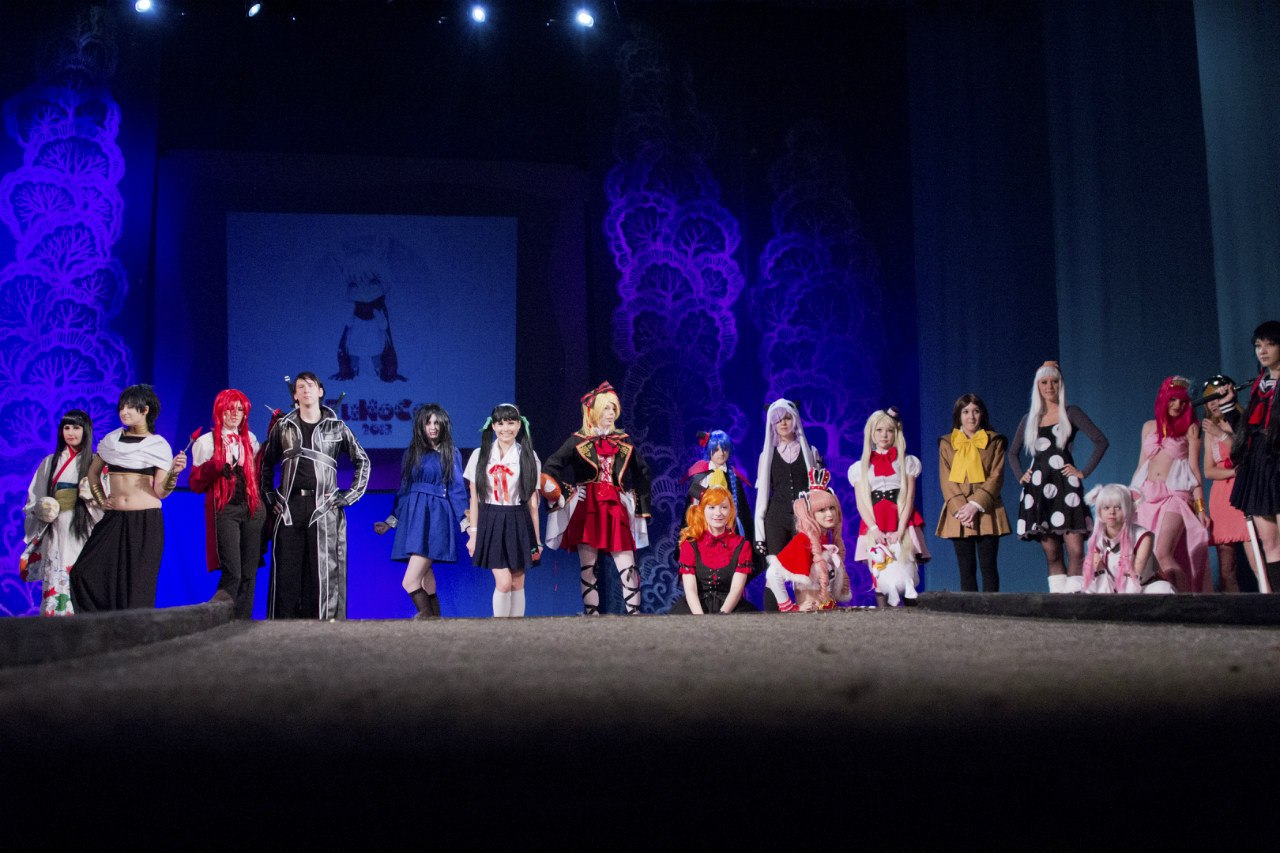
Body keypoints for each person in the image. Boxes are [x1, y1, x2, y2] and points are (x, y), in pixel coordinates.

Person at [259, 372, 370, 620]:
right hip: (289, 509)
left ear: (320, 392)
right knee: (286, 576)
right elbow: (264, 464)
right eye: (300, 386)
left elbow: (362, 461)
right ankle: (281, 634)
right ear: (295, 395)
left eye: (311, 385)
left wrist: (348, 496)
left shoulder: (337, 427)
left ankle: (323, 633)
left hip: (323, 510)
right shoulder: (283, 427)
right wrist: (270, 497)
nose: (306, 389)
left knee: (321, 578)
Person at [71, 385, 185, 611]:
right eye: (122, 407)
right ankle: (101, 628)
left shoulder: (158, 445)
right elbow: (93, 473)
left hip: (145, 522)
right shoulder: (111, 441)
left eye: (131, 407)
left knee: (137, 588)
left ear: (145, 410)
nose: (124, 412)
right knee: (83, 573)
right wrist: (101, 499)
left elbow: (160, 491)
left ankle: (132, 632)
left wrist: (174, 473)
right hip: (114, 519)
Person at [545, 381, 652, 615]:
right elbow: (550, 468)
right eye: (606, 408)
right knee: (588, 566)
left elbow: (643, 472)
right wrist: (568, 493)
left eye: (613, 408)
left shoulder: (623, 441)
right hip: (588, 508)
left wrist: (636, 501)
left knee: (628, 565)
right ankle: (591, 616)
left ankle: (635, 615)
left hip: (615, 507)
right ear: (593, 412)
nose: (611, 413)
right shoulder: (577, 441)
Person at [1010, 361, 1109, 593]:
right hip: (1039, 490)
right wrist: (1021, 476)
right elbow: (1012, 453)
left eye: (1054, 382)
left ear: (1060, 384)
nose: (1049, 386)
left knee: (1075, 550)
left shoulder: (1070, 412)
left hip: (1066, 488)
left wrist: (1083, 472)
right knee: (1052, 553)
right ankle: (1058, 602)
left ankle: (1074, 599)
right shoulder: (1030, 419)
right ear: (1037, 386)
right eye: (1044, 382)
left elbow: (1101, 441)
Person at [375, 404, 469, 619]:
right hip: (413, 518)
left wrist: (466, 522)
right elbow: (404, 489)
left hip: (435, 517)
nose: (433, 427)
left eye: (437, 423)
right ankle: (435, 625)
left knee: (410, 581)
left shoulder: (450, 452)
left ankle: (425, 615)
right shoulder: (412, 452)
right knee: (427, 580)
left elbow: (456, 490)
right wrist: (390, 521)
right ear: (420, 426)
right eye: (428, 423)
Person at [1128, 376, 1211, 592]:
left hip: (1175, 495)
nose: (1177, 405)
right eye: (1173, 400)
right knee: (1147, 556)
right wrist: (1129, 498)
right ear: (1164, 400)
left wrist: (1201, 509)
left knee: (1162, 553)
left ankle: (1184, 602)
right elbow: (1141, 465)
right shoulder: (1148, 427)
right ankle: (1166, 597)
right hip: (1146, 495)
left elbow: (1195, 471)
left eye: (1183, 401)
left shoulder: (1191, 429)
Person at [189, 389, 266, 619]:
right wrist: (213, 467)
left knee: (249, 572)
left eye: (240, 409)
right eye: (230, 409)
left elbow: (260, 472)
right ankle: (218, 621)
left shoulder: (250, 439)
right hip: (225, 509)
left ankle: (242, 623)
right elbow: (195, 484)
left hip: (251, 507)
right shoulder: (206, 442)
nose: (235, 414)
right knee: (233, 571)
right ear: (219, 411)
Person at [21, 410, 102, 616]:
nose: (71, 432)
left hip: (84, 525)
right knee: (55, 574)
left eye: (76, 427)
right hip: (56, 526)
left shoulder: (95, 462)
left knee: (82, 576)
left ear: (86, 431)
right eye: (66, 428)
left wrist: (91, 497)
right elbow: (34, 498)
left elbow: (106, 501)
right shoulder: (50, 462)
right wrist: (42, 508)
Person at [464, 404, 541, 618]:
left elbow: (532, 503)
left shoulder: (528, 456)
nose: (505, 428)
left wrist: (537, 541)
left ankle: (516, 631)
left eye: (510, 423)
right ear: (493, 426)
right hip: (491, 520)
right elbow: (474, 499)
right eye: (500, 423)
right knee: (504, 582)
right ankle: (499, 629)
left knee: (518, 581)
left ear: (519, 425)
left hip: (519, 519)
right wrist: (473, 534)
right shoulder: (480, 455)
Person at [848, 408, 930, 599]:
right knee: (880, 570)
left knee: (906, 569)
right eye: (879, 430)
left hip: (901, 519)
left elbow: (909, 497)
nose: (884, 435)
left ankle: (911, 612)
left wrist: (900, 530)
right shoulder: (861, 467)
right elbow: (861, 503)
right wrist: (874, 529)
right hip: (876, 521)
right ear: (871, 433)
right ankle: (883, 613)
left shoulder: (906, 462)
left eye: (889, 430)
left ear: (896, 433)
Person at [936, 394, 1011, 592]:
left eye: (976, 411)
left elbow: (996, 476)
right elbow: (946, 479)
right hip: (959, 514)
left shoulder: (994, 441)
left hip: (986, 510)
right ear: (958, 416)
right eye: (966, 412)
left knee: (989, 567)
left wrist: (975, 504)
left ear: (982, 414)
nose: (971, 417)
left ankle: (992, 609)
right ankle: (970, 610)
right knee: (966, 569)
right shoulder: (947, 443)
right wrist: (962, 509)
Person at [764, 469, 861, 611]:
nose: (829, 514)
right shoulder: (802, 541)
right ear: (810, 514)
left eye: (832, 508)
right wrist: (790, 608)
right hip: (809, 619)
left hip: (828, 615)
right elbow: (772, 574)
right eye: (821, 510)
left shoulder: (825, 540)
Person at [1230, 320, 1280, 592]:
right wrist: (1229, 407)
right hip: (1260, 466)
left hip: (1278, 462)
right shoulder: (1258, 385)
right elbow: (1247, 430)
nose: (1263, 351)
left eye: (1270, 344)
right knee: (1270, 542)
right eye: (1258, 345)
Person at [1200, 375, 1255, 592]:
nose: (1213, 404)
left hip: (1243, 493)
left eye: (1217, 397)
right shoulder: (1209, 430)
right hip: (1221, 498)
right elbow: (1208, 471)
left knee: (1256, 559)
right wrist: (1233, 472)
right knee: (1226, 567)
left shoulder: (1241, 420)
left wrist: (1222, 435)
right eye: (1209, 400)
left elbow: (1245, 454)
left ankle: (1270, 602)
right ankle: (1235, 609)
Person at [671, 485, 755, 614]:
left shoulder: (742, 545)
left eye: (724, 507)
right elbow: (690, 590)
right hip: (696, 608)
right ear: (702, 510)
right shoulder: (690, 544)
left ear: (731, 510)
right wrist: (701, 619)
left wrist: (721, 617)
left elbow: (736, 590)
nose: (718, 513)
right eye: (712, 507)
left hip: (730, 608)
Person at [1081, 484, 1175, 594]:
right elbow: (1100, 577)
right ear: (1100, 511)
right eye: (1106, 507)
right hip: (1113, 588)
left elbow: (1135, 576)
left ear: (1128, 509)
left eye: (1118, 507)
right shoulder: (1097, 539)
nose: (1112, 512)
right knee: (1083, 586)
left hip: (1144, 587)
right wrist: (1106, 599)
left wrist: (1123, 601)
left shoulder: (1143, 537)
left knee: (1163, 588)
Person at [753, 399, 817, 558]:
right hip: (776, 518)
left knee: (805, 565)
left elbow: (817, 489)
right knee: (776, 566)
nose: (783, 423)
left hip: (804, 517)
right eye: (778, 420)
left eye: (787, 418)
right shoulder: (766, 456)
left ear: (795, 419)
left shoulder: (810, 452)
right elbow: (762, 494)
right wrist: (759, 535)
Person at [684, 430, 754, 542]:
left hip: (729, 530)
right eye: (716, 450)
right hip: (704, 529)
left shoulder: (733, 477)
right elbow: (691, 507)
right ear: (709, 450)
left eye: (725, 449)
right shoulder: (700, 476)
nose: (721, 453)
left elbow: (744, 512)